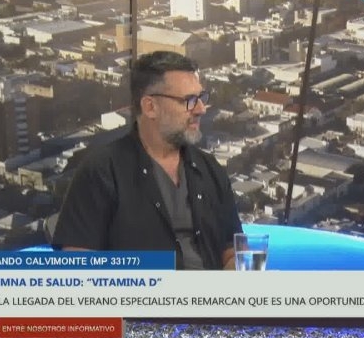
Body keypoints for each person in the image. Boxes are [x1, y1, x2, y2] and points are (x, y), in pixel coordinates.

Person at [52, 51, 242, 269]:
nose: (201, 109)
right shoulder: (101, 171)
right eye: (189, 101)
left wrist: (236, 274)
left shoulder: (210, 169)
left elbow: (233, 247)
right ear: (150, 107)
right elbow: (78, 263)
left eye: (201, 98)